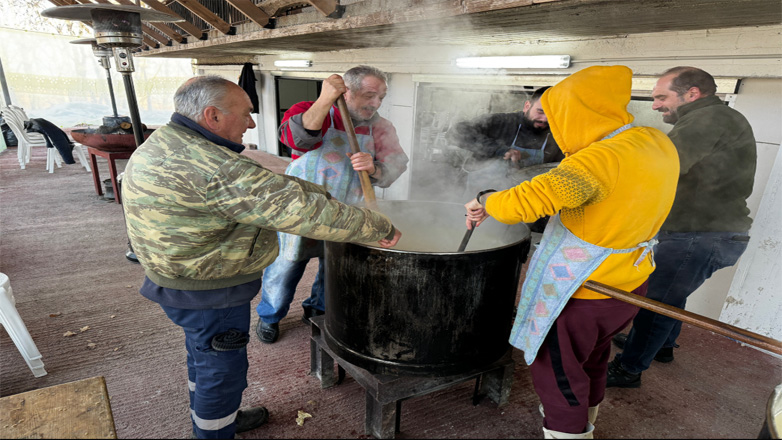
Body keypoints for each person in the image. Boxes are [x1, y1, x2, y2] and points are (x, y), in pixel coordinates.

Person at [121, 75, 402, 439]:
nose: (252, 123)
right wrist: (376, 226)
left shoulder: (168, 140)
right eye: (246, 113)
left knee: (203, 355)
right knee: (221, 370)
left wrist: (343, 187)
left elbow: (276, 186)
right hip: (210, 288)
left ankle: (218, 416)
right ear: (212, 116)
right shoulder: (216, 168)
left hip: (179, 273)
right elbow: (298, 208)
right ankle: (215, 429)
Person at [465, 65, 679, 439]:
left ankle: (568, 429)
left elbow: (527, 203)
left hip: (580, 292)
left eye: (558, 115)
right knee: (592, 360)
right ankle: (586, 419)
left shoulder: (596, 160)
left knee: (557, 374)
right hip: (628, 285)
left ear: (576, 112)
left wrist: (486, 200)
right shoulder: (654, 141)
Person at [606, 66, 757, 388]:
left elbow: (660, 166)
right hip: (708, 233)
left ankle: (629, 369)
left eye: (662, 97)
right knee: (673, 292)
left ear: (692, 94)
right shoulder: (715, 118)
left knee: (656, 302)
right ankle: (661, 346)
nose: (655, 105)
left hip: (700, 235)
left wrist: (605, 174)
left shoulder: (708, 119)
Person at [255, 65, 409, 344]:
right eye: (369, 95)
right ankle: (270, 315)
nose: (376, 104)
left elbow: (397, 165)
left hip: (348, 212)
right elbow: (296, 138)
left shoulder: (381, 128)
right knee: (286, 264)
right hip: (301, 209)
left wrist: (374, 168)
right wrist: (325, 99)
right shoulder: (311, 110)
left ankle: (318, 310)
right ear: (346, 92)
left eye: (381, 97)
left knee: (335, 266)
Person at [447, 86, 564, 198]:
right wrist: (499, 149)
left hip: (523, 202)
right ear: (527, 106)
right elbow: (455, 133)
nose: (545, 119)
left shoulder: (557, 135)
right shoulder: (502, 122)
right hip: (480, 199)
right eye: (540, 111)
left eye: (551, 114)